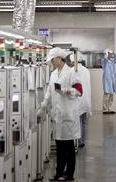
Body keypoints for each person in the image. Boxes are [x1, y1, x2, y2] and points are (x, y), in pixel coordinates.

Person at [37, 47, 83, 181]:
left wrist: (66, 90)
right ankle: (59, 173)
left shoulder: (71, 73)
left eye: (52, 60)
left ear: (58, 58)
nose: (51, 63)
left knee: (69, 148)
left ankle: (69, 174)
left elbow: (79, 91)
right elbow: (49, 92)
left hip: (68, 115)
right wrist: (43, 106)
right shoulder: (53, 74)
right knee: (60, 147)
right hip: (58, 116)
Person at [75, 56, 92, 148]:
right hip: (86, 99)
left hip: (77, 100)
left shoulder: (73, 70)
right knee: (84, 121)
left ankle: (77, 140)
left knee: (77, 121)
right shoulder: (86, 70)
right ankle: (82, 141)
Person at [101, 49, 116, 114]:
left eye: (111, 54)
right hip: (107, 80)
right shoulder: (104, 61)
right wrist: (107, 53)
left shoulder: (112, 61)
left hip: (112, 80)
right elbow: (104, 58)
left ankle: (109, 108)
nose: (111, 55)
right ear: (107, 54)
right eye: (109, 54)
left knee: (111, 95)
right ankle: (105, 109)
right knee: (106, 95)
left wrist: (113, 52)